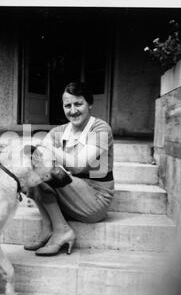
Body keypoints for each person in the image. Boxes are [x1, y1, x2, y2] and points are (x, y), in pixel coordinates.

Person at [24, 81, 114, 256]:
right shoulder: (59, 132)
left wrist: (48, 149)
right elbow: (41, 157)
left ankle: (62, 231)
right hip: (70, 194)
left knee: (43, 170)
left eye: (78, 104)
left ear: (90, 104)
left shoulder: (100, 129)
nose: (73, 110)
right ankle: (49, 227)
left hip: (95, 199)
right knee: (33, 168)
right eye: (68, 105)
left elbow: (80, 164)